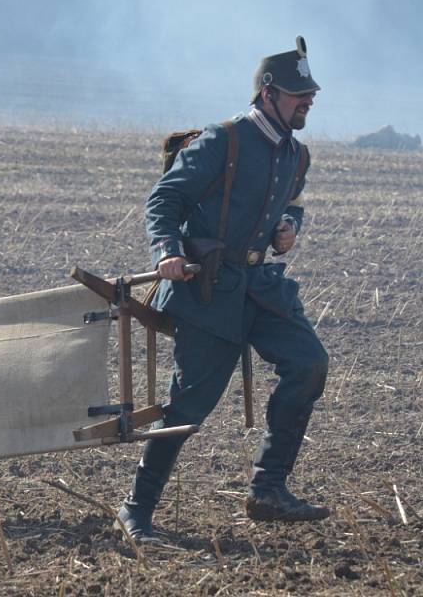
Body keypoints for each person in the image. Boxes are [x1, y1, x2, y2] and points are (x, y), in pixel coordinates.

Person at [117, 37, 330, 541]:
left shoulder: (296, 155)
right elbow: (164, 199)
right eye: (299, 93)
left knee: (309, 364)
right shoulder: (223, 140)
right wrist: (166, 251)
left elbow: (291, 203)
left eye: (311, 94)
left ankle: (268, 489)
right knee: (187, 409)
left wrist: (290, 228)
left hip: (260, 288)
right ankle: (135, 511)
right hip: (208, 292)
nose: (308, 101)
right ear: (268, 92)